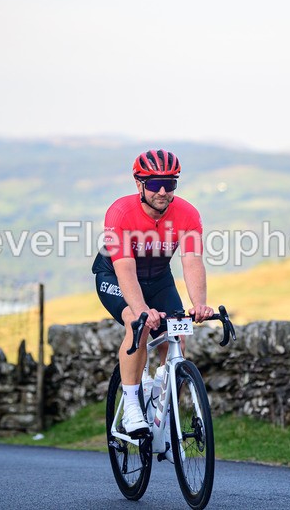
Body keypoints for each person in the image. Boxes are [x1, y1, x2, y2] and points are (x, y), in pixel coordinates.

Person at [92, 149, 215, 436]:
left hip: (159, 278)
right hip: (114, 276)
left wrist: (200, 304)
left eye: (169, 184)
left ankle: (162, 407)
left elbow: (192, 261)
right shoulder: (120, 212)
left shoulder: (187, 214)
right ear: (139, 185)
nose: (162, 190)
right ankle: (133, 404)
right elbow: (124, 270)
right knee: (138, 326)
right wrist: (141, 311)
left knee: (177, 339)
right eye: (155, 183)